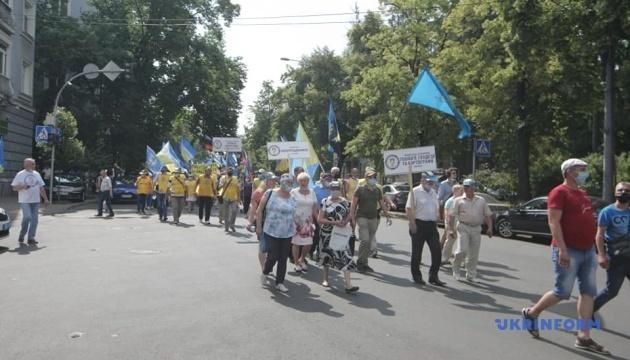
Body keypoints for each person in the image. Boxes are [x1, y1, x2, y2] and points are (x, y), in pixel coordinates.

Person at [521, 159, 610, 355]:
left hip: (588, 251)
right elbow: (553, 222)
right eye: (582, 170)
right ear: (570, 172)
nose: (585, 173)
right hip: (568, 250)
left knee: (588, 292)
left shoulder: (583, 194)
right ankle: (532, 313)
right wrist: (563, 249)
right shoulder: (559, 192)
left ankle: (583, 336)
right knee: (562, 292)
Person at [594, 181, 630, 317]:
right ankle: (590, 309)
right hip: (616, 259)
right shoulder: (607, 212)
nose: (624, 193)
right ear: (615, 193)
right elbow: (599, 234)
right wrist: (601, 255)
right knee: (612, 291)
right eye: (621, 190)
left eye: (627, 191)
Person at [257, 174, 297, 292]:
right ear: (282, 182)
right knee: (273, 256)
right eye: (288, 182)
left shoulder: (292, 197)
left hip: (287, 232)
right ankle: (265, 273)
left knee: (283, 258)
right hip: (271, 230)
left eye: (291, 182)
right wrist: (259, 227)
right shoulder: (270, 193)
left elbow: (294, 213)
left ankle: (280, 282)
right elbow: (260, 211)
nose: (290, 184)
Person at [448, 179, 492, 282]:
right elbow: (451, 215)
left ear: (473, 188)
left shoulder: (481, 200)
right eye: (465, 187)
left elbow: (488, 214)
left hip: (476, 228)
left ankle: (471, 274)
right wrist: (451, 229)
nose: (466, 189)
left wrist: (490, 227)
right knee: (462, 250)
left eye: (468, 187)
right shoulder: (458, 200)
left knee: (473, 253)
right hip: (463, 227)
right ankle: (456, 269)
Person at [318, 181, 359, 292]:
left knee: (346, 256)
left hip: (341, 233)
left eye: (337, 188)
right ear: (330, 189)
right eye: (333, 188)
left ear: (339, 189)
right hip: (328, 233)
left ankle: (348, 284)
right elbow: (320, 219)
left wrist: (345, 221)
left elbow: (349, 213)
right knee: (327, 256)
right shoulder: (325, 201)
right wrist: (334, 223)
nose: (335, 190)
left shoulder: (344, 201)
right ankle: (325, 279)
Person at [406, 173, 446, 286]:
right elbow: (408, 209)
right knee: (417, 253)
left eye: (432, 182)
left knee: (437, 251)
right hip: (418, 224)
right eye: (429, 181)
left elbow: (436, 207)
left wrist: (437, 215)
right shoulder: (415, 192)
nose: (431, 184)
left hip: (432, 225)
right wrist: (412, 224)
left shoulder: (434, 192)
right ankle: (417, 276)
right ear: (422, 181)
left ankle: (433, 276)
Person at [351, 169, 392, 273]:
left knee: (369, 242)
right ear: (366, 178)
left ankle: (365, 263)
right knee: (364, 240)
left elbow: (382, 203)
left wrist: (387, 215)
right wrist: (352, 218)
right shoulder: (360, 190)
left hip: (373, 217)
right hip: (362, 217)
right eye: (370, 177)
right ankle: (360, 262)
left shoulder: (377, 190)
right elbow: (353, 204)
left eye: (374, 177)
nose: (373, 179)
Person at [11, 158, 49, 244]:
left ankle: (31, 237)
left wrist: (45, 199)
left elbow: (41, 187)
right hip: (25, 200)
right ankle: (22, 235)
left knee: (34, 220)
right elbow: (14, 187)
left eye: (34, 164)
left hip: (35, 200)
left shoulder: (37, 174)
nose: (34, 166)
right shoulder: (20, 174)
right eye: (32, 164)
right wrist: (22, 187)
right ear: (26, 165)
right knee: (27, 217)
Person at [248, 172, 278, 269]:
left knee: (273, 246)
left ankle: (269, 262)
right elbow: (253, 208)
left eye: (274, 180)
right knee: (262, 245)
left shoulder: (278, 192)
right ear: (266, 181)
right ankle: (263, 267)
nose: (274, 182)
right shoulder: (258, 193)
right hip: (262, 221)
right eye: (271, 180)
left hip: (275, 222)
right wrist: (250, 222)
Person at [290, 172, 318, 273]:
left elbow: (314, 207)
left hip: (308, 221)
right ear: (298, 181)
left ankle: (302, 259)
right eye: (301, 180)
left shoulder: (312, 192)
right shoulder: (293, 192)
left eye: (305, 180)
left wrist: (318, 219)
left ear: (308, 181)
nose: (303, 182)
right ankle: (296, 263)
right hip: (297, 220)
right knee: (296, 242)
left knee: (309, 242)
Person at [442, 185, 464, 264]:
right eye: (461, 190)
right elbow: (447, 214)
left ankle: (460, 260)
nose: (462, 192)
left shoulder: (461, 200)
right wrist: (450, 227)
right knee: (450, 241)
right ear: (455, 191)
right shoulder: (450, 201)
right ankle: (444, 258)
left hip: (460, 223)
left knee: (462, 242)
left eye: (463, 190)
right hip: (452, 223)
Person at [438, 168, 459, 245]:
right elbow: (439, 197)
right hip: (446, 207)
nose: (455, 174)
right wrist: (440, 210)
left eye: (456, 173)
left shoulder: (457, 184)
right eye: (453, 173)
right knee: (448, 227)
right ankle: (443, 247)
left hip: (455, 207)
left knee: (451, 228)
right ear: (449, 174)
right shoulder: (443, 184)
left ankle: (442, 246)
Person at [219, 167, 240, 232]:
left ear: (233, 172)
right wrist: (223, 184)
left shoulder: (235, 178)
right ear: (226, 171)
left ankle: (232, 224)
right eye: (229, 170)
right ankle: (226, 227)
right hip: (225, 197)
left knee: (234, 211)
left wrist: (239, 197)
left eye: (231, 170)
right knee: (226, 213)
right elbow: (219, 187)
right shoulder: (223, 178)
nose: (230, 171)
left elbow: (237, 188)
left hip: (233, 197)